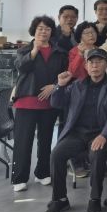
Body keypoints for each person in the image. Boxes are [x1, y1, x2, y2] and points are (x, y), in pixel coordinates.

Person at [45, 49, 107, 212]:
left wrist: (104, 135)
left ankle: (94, 199)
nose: (95, 66)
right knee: (57, 154)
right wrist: (60, 85)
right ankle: (60, 199)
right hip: (77, 134)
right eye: (91, 62)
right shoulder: (76, 85)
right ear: (86, 66)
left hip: (101, 134)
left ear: (106, 65)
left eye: (99, 62)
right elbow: (56, 103)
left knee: (97, 154)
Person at [12, 16, 68, 192]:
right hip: (26, 101)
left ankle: (42, 173)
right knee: (23, 142)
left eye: (47, 29)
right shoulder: (24, 50)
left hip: (48, 102)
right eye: (40, 28)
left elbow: (65, 74)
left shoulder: (59, 52)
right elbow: (21, 67)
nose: (44, 32)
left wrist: (55, 86)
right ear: (34, 31)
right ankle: (19, 177)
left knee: (45, 140)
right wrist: (34, 50)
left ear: (52, 32)